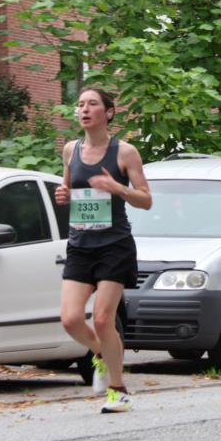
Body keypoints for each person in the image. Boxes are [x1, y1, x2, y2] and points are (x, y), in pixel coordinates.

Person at [55, 87, 152, 413]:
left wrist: (116, 188)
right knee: (70, 320)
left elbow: (146, 199)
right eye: (80, 104)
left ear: (108, 112)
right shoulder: (71, 150)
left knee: (101, 318)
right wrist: (63, 196)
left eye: (92, 104)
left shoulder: (125, 152)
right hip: (81, 245)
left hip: (114, 245)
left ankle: (117, 389)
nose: (84, 110)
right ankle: (101, 355)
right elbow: (68, 189)